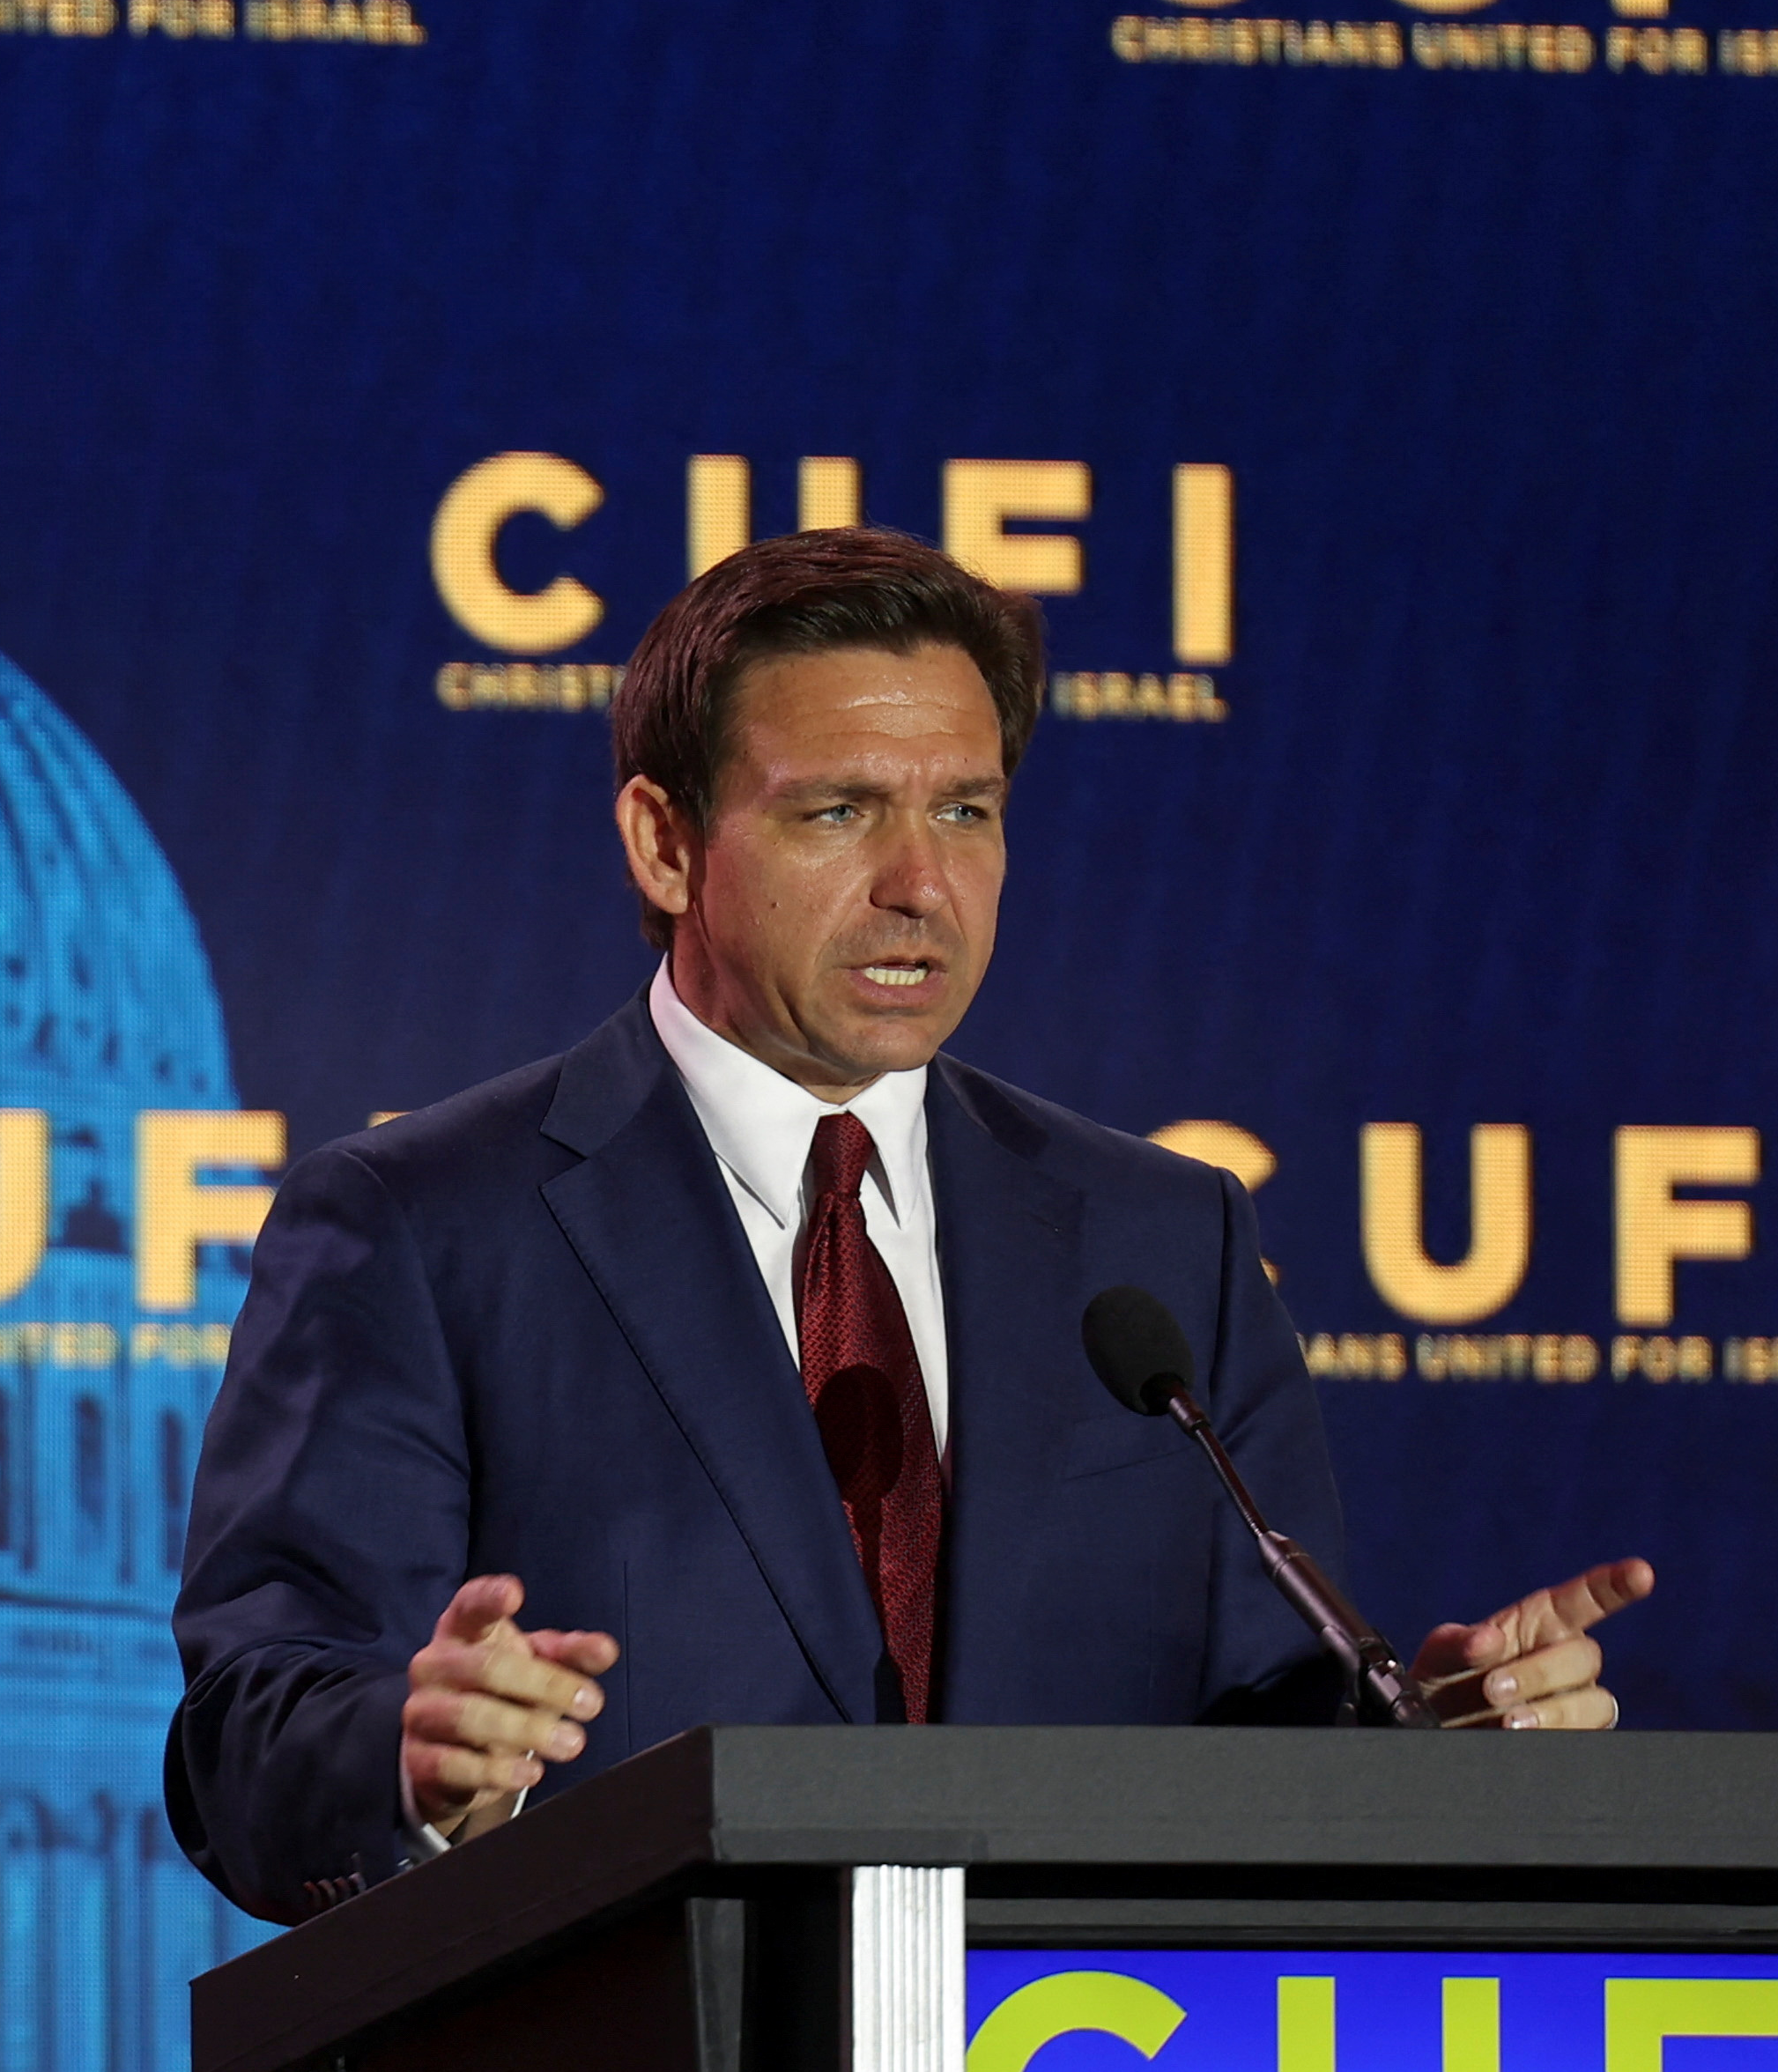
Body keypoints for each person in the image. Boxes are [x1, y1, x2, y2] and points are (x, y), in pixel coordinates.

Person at [165, 529, 1648, 1928]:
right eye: (836, 812)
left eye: (964, 811)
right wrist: (414, 1761)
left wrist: (1420, 1738)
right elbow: (244, 1743)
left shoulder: (1161, 1239)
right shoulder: (421, 1224)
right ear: (665, 845)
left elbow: (1257, 1733)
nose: (919, 887)